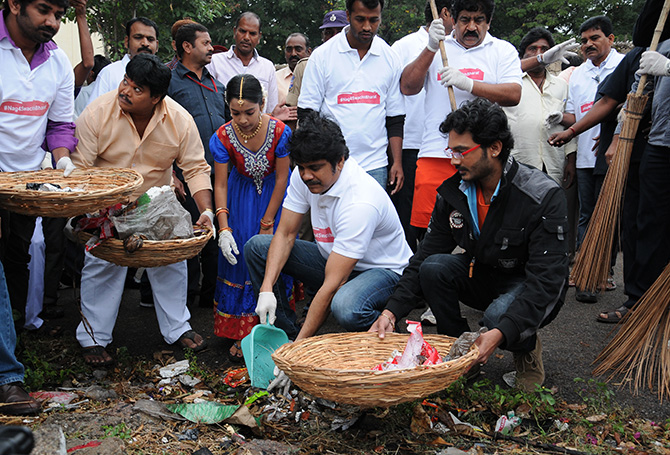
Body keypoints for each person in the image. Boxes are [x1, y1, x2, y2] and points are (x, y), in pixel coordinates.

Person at [370, 98, 568, 392]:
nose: (453, 160)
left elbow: (547, 281)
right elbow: (424, 257)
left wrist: (502, 330)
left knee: (499, 317)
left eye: (462, 152)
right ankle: (460, 354)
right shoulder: (454, 193)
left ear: (495, 148)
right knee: (434, 268)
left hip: (530, 285)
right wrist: (390, 312)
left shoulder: (541, 195)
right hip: (486, 276)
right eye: (451, 150)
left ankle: (525, 349)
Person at [72, 54, 214, 366]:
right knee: (102, 264)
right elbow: (80, 171)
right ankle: (94, 338)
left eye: (137, 89)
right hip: (105, 204)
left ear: (156, 98)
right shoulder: (96, 113)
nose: (125, 91)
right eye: (126, 82)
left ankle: (177, 328)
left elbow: (195, 169)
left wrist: (206, 211)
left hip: (156, 204)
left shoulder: (179, 119)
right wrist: (90, 214)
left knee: (170, 262)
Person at [245, 111, 413, 342]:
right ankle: (282, 338)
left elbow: (332, 286)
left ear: (340, 161)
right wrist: (266, 288)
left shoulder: (360, 201)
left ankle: (388, 335)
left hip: (384, 272)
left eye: (315, 168)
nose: (306, 175)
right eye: (301, 167)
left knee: (345, 305)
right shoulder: (303, 174)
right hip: (333, 260)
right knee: (257, 247)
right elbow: (284, 234)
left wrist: (299, 350)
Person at [400, 0, 522, 242]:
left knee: (483, 228)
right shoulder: (438, 48)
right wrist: (431, 47)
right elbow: (407, 86)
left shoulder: (502, 50)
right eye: (465, 20)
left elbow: (513, 94)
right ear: (453, 20)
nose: (472, 27)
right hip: (436, 152)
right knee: (429, 231)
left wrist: (469, 84)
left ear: (489, 22)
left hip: (482, 154)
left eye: (479, 20)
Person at [0, 0, 77, 326]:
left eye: (59, 15)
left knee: (26, 253)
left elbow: (60, 124)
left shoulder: (58, 61)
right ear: (15, 4)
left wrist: (63, 162)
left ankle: (20, 330)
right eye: (44, 10)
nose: (53, 22)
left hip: (30, 177)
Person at [210, 74, 291, 362]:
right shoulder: (221, 137)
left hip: (275, 199)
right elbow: (219, 184)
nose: (242, 120)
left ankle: (275, 326)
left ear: (263, 104)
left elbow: (283, 178)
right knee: (241, 259)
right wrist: (224, 228)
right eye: (235, 113)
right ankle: (244, 331)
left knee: (273, 257)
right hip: (239, 199)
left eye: (249, 112)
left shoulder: (280, 132)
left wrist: (268, 221)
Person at [298, 0, 405, 192]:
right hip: (330, 164)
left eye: (374, 20)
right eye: (360, 19)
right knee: (329, 222)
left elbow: (395, 118)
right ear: (348, 16)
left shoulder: (389, 57)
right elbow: (307, 114)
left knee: (370, 221)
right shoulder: (323, 56)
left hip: (375, 165)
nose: (367, 27)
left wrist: (396, 163)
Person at [557, 16, 624, 303]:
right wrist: (558, 118)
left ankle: (603, 272)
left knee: (607, 214)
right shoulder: (578, 74)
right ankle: (584, 269)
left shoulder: (624, 66)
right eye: (584, 40)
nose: (588, 45)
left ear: (610, 38)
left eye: (595, 38)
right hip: (585, 155)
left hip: (613, 154)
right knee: (585, 214)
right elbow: (576, 115)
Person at [168, 23, 228, 309]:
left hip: (218, 175)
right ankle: (183, 306)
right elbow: (159, 129)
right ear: (187, 47)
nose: (210, 48)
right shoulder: (169, 82)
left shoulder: (217, 84)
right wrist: (170, 174)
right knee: (188, 239)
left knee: (216, 235)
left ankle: (210, 298)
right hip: (184, 176)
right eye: (205, 43)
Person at [390, 0, 452, 252]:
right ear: (445, 13)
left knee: (437, 220)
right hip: (408, 145)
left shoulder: (456, 47)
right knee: (407, 219)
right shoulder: (403, 46)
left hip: (442, 149)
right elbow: (394, 94)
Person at [504, 27, 577, 186]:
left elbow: (569, 126)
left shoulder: (561, 85)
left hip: (552, 163)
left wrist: (571, 161)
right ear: (523, 54)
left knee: (551, 207)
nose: (539, 53)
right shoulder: (509, 84)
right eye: (532, 49)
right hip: (518, 161)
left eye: (544, 49)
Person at [207, 12, 279, 115]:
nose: (246, 37)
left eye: (252, 33)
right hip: (223, 128)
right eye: (242, 31)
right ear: (234, 32)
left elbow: (271, 109)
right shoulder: (214, 62)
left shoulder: (267, 67)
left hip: (258, 130)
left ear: (259, 37)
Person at [86, 16, 159, 104]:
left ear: (157, 45)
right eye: (138, 37)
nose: (145, 43)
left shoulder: (163, 76)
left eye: (150, 39)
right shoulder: (109, 73)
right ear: (126, 41)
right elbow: (93, 112)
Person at [285, 10, 348, 108]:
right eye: (329, 33)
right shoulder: (305, 66)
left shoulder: (361, 64)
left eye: (340, 32)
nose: (334, 37)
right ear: (322, 36)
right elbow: (292, 108)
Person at [276, 33, 310, 114]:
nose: (293, 53)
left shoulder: (316, 76)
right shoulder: (275, 78)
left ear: (309, 52)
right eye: (289, 49)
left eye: (298, 49)